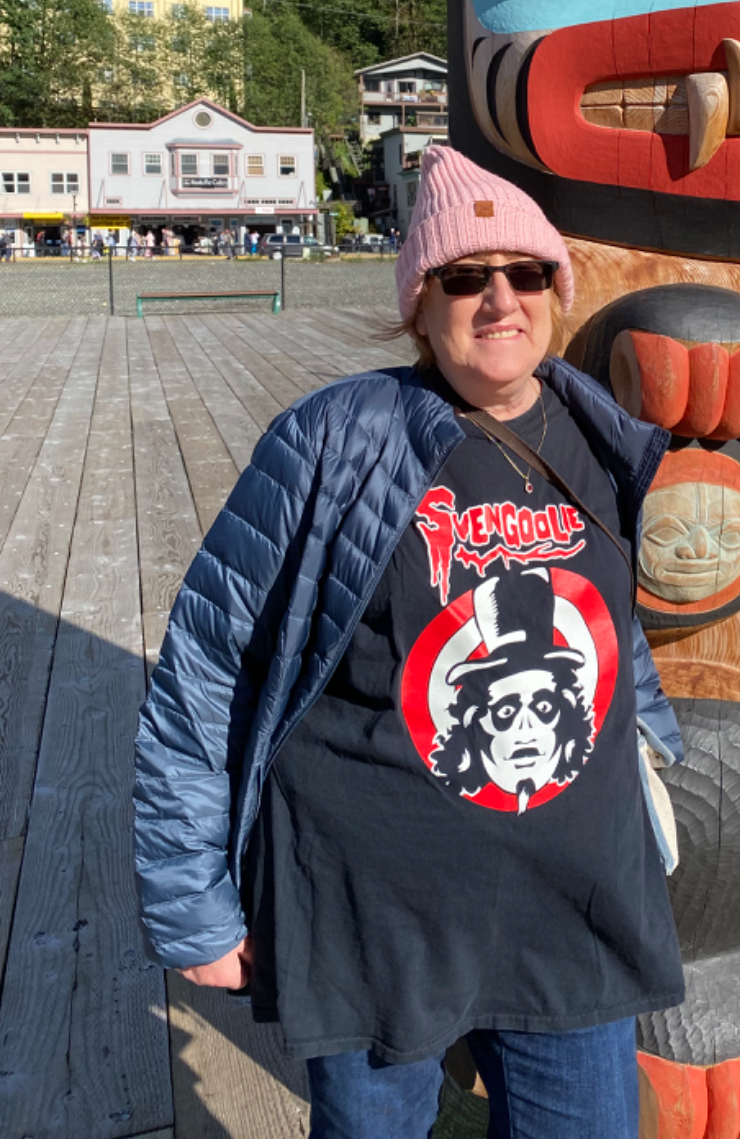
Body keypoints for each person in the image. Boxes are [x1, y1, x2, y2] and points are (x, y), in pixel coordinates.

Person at [134, 146, 684, 1139]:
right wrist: (191, 902)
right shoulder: (334, 439)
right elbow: (207, 666)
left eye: (525, 273)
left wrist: (652, 752)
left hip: (575, 905)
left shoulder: (604, 436)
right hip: (374, 919)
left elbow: (610, 626)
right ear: (419, 308)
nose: (500, 299)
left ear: (556, 291)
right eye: (464, 277)